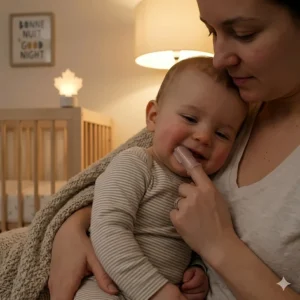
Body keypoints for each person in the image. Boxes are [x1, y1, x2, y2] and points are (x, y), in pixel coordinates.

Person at [48, 0, 300, 299]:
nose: (218, 58)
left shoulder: (233, 110)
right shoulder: (242, 98)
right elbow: (103, 198)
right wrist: (71, 228)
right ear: (153, 115)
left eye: (244, 33)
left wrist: (213, 251)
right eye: (210, 32)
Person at [73, 57, 247, 300]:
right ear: (153, 117)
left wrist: (197, 269)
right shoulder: (135, 163)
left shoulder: (204, 190)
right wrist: (155, 290)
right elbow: (107, 228)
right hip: (108, 289)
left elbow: (196, 241)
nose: (204, 137)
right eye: (190, 119)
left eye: (221, 134)